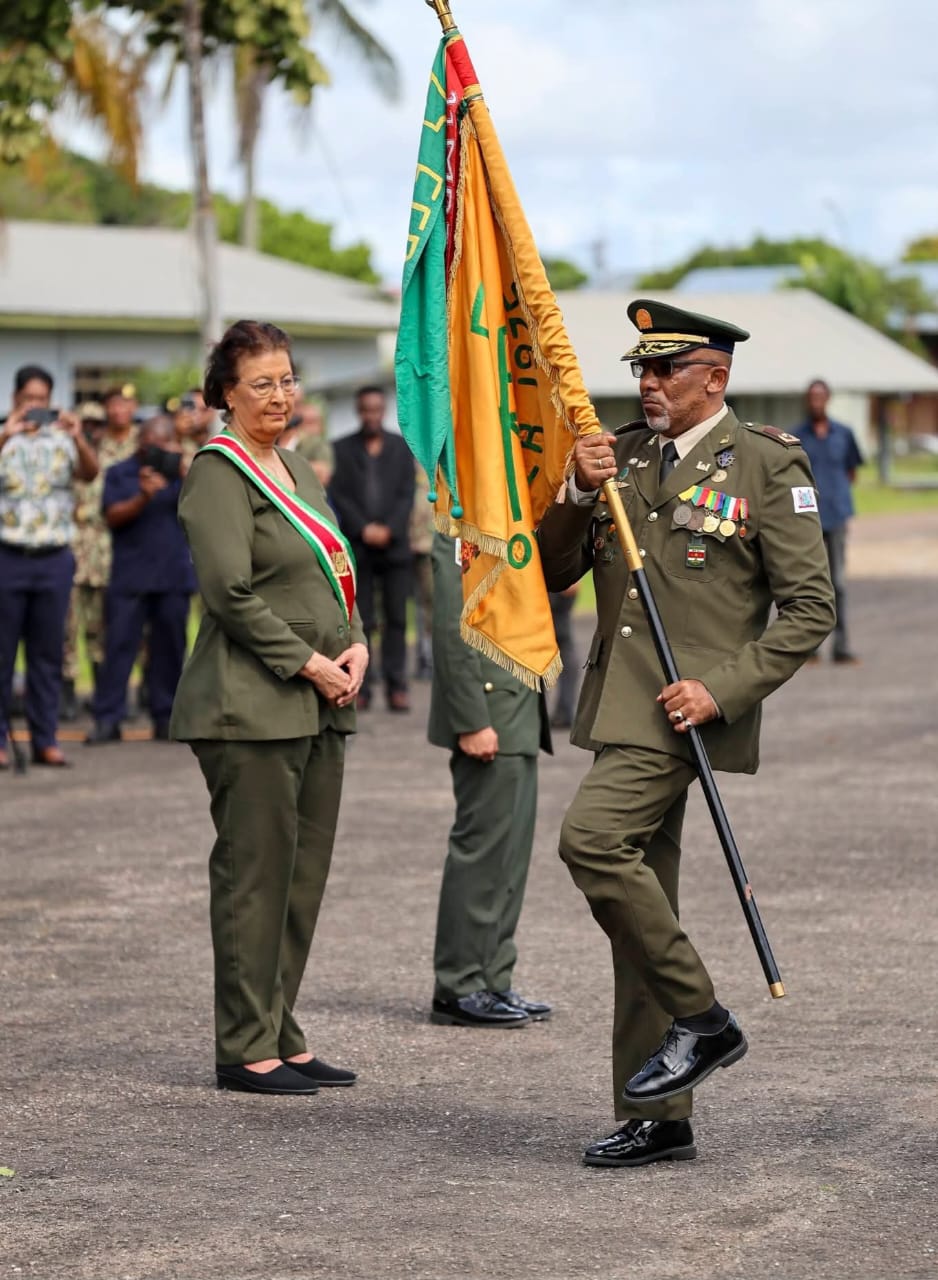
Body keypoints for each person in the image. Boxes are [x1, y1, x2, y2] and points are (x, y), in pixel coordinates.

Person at [538, 299, 835, 1168]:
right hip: (615, 706)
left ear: (718, 376)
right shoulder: (622, 456)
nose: (650, 384)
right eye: (642, 369)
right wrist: (578, 490)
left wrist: (724, 689)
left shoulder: (767, 466)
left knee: (590, 843)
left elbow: (810, 606)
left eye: (667, 370)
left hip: (681, 711)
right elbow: (556, 570)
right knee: (642, 907)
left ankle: (703, 1019)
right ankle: (659, 1111)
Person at [170, 319, 369, 1096]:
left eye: (288, 379)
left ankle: (280, 1030)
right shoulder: (217, 474)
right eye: (263, 382)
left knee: (301, 877)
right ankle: (243, 1044)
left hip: (319, 702)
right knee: (255, 877)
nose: (281, 394)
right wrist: (312, 663)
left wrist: (354, 644)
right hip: (249, 707)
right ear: (225, 393)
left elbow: (335, 574)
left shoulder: (297, 469)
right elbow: (229, 594)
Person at [428, 531, 553, 1028]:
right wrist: (469, 717)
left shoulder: (506, 519)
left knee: (510, 857)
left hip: (517, 707)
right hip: (488, 711)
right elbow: (448, 621)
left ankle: (493, 977)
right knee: (481, 853)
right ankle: (459, 983)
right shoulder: (459, 520)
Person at [0, 365, 98, 769]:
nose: (36, 406)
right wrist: (8, 431)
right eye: (29, 400)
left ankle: (46, 739)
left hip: (54, 558)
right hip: (8, 556)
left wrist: (77, 434)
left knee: (47, 656)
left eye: (42, 399)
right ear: (16, 399)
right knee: (2, 655)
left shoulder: (64, 437)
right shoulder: (4, 436)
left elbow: (90, 473)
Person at [85, 416, 194, 744]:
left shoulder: (183, 474)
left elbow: (203, 512)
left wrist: (189, 477)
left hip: (173, 576)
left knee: (171, 650)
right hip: (130, 577)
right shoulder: (120, 472)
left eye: (164, 446)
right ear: (140, 442)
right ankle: (108, 718)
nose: (157, 453)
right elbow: (112, 516)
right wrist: (143, 496)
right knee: (118, 648)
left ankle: (168, 717)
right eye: (151, 446)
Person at [329, 386, 415, 712]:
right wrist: (364, 528)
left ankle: (397, 685)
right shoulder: (340, 449)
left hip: (395, 548)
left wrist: (389, 528)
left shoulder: (401, 448)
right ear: (358, 411)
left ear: (383, 410)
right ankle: (360, 686)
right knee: (360, 619)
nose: (371, 415)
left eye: (377, 409)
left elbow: (407, 494)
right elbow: (340, 496)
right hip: (359, 548)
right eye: (366, 409)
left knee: (396, 619)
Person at [63, 386, 139, 721]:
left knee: (107, 628)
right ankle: (66, 696)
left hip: (111, 547)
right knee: (66, 627)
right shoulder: (72, 452)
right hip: (75, 546)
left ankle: (104, 694)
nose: (93, 428)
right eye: (88, 423)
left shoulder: (132, 445)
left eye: (97, 422)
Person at [793, 380, 864, 664]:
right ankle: (809, 649)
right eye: (812, 397)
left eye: (821, 397)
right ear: (806, 401)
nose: (816, 402)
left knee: (838, 583)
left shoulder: (844, 434)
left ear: (828, 399)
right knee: (808, 583)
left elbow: (852, 472)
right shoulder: (797, 437)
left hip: (836, 516)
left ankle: (841, 646)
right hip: (806, 521)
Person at [280, 401, 335, 489]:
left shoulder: (317, 444)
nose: (312, 428)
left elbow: (323, 474)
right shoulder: (278, 442)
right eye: (307, 422)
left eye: (314, 422)